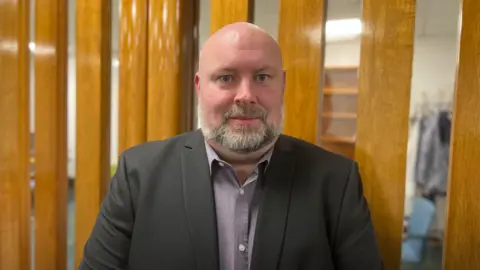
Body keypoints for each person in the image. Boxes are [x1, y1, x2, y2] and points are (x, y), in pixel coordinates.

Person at [80, 22, 383, 270]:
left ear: (283, 85)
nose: (246, 95)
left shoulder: (335, 181)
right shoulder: (139, 175)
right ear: (199, 86)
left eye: (262, 77)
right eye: (226, 78)